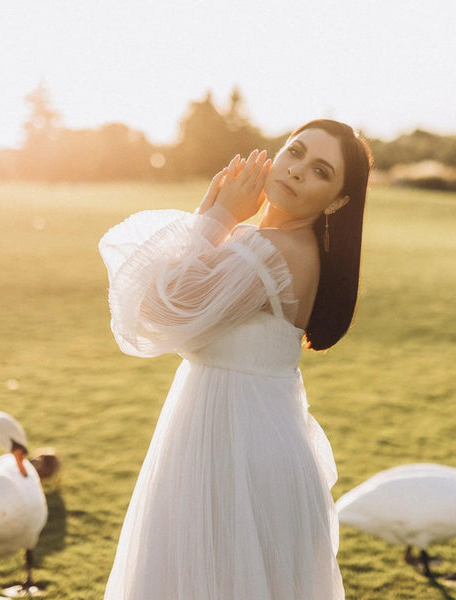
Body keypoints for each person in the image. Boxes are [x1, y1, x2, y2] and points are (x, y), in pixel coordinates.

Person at [99, 119, 372, 600]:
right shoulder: (271, 243)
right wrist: (216, 213)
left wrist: (218, 215)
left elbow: (159, 309)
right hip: (242, 432)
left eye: (321, 170)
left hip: (235, 448)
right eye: (295, 152)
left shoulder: (270, 251)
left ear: (337, 201)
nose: (296, 171)